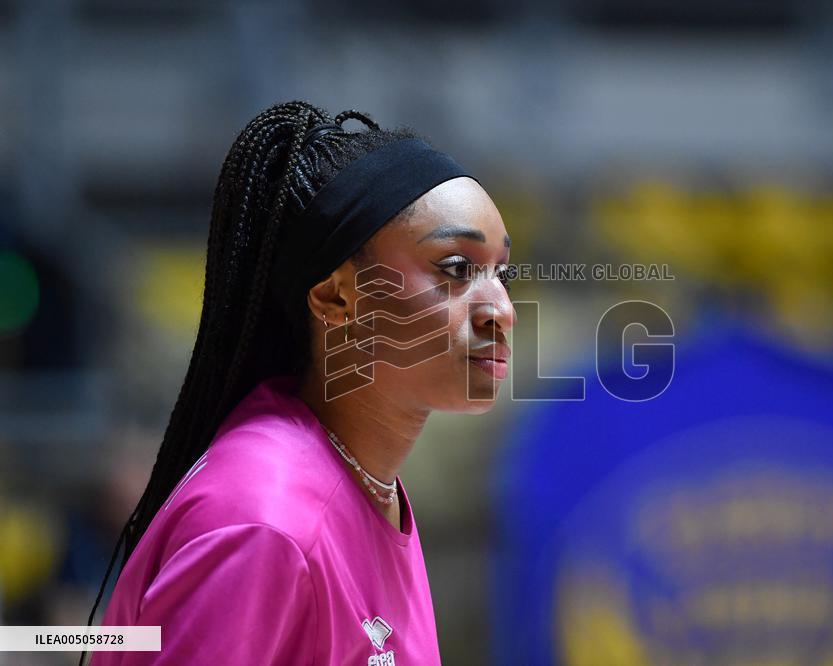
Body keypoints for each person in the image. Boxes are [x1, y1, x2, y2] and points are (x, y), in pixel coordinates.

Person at [83, 100, 516, 665]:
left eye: (503, 274)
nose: (501, 310)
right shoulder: (267, 520)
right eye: (457, 268)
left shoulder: (362, 483)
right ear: (337, 298)